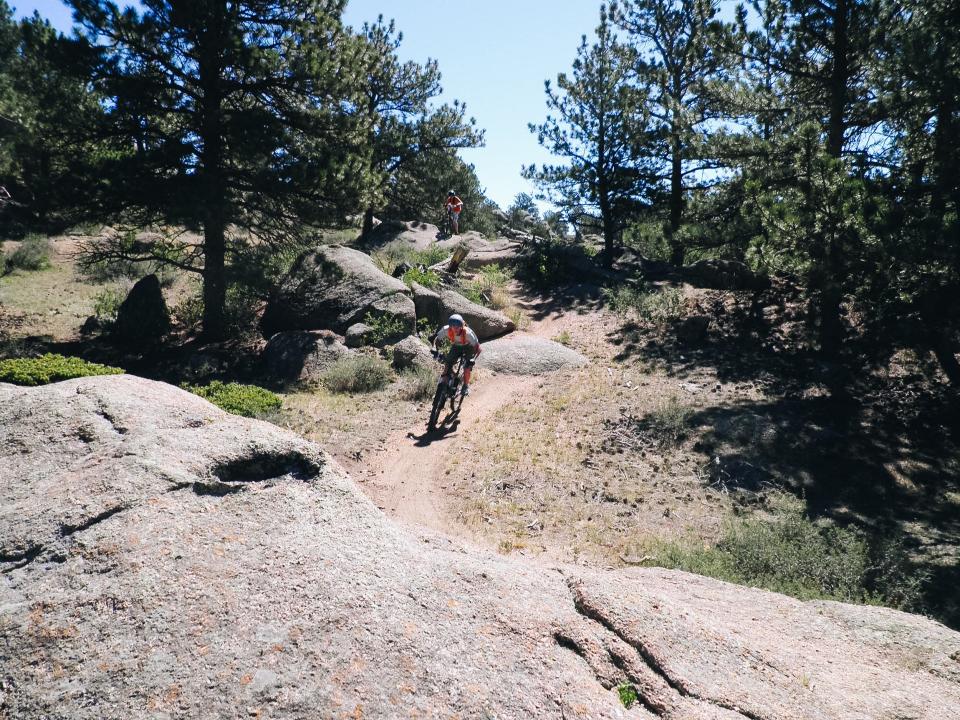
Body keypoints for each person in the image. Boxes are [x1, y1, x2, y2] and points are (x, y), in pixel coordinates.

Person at [432, 313, 480, 396]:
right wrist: (436, 349)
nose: (455, 329)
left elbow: (478, 349)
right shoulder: (446, 330)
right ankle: (444, 383)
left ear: (461, 326)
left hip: (469, 347)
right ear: (450, 326)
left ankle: (465, 386)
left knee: (467, 367)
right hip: (456, 346)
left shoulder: (468, 334)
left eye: (457, 326)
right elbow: (437, 339)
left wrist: (473, 360)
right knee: (448, 363)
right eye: (453, 326)